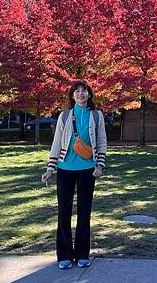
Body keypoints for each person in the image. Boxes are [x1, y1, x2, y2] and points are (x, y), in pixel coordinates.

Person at [41, 80, 107, 270]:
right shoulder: (64, 116)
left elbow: (102, 141)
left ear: (89, 94)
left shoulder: (96, 116)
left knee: (84, 212)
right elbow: (56, 143)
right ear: (72, 95)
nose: (80, 94)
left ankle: (82, 254)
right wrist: (50, 168)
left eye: (84, 91)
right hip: (65, 169)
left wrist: (100, 164)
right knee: (64, 211)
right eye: (76, 91)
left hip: (88, 169)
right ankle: (64, 255)